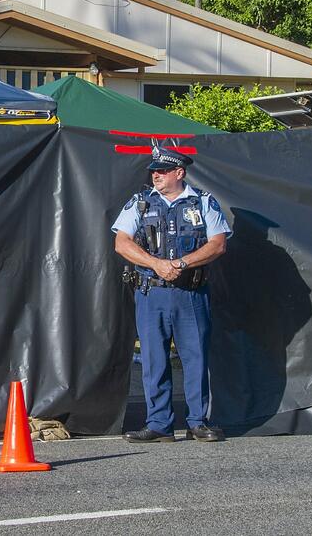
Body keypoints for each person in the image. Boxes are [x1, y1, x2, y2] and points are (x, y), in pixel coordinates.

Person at [112, 147, 231, 442]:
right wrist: (156, 264)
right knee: (153, 360)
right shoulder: (140, 202)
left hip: (190, 293)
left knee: (196, 358)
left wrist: (180, 263)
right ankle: (158, 425)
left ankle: (197, 422)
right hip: (152, 293)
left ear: (179, 173)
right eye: (154, 171)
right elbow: (121, 243)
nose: (156, 176)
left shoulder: (203, 202)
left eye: (162, 171)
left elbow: (218, 244)